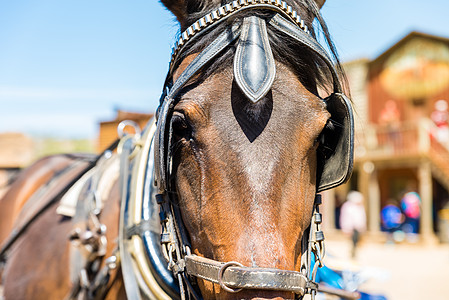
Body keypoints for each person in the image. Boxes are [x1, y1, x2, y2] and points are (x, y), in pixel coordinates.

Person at [339, 191, 367, 258]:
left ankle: (354, 254)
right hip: (350, 227)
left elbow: (362, 217)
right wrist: (346, 228)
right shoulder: (347, 206)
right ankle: (351, 255)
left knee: (357, 242)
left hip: (358, 227)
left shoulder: (360, 207)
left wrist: (363, 227)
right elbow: (345, 218)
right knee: (351, 242)